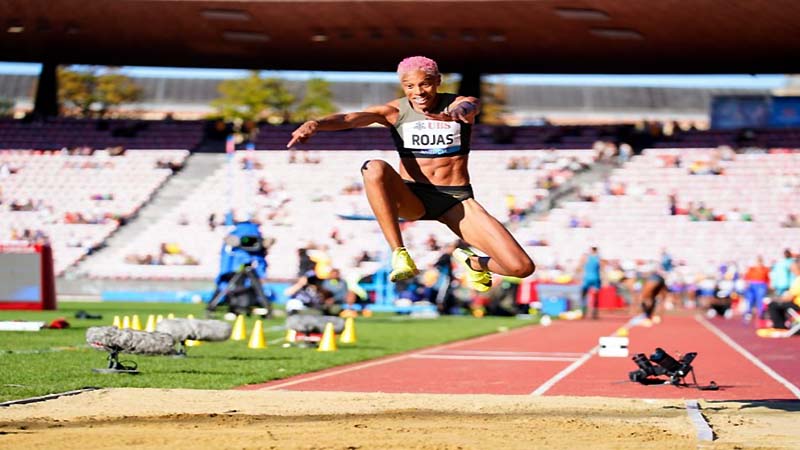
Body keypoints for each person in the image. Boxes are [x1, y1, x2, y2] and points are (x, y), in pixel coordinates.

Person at [287, 56, 535, 291]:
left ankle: (474, 263)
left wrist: (463, 110)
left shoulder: (456, 104)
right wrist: (316, 123)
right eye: (410, 86)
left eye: (425, 84)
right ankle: (399, 253)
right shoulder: (395, 111)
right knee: (373, 167)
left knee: (521, 267)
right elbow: (350, 118)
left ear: (437, 81)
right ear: (402, 86)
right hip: (413, 196)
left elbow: (470, 104)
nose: (418, 92)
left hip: (456, 200)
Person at [578, 247, 602, 318]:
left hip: (587, 279)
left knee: (583, 296)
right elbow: (602, 268)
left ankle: (583, 312)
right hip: (596, 279)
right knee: (595, 296)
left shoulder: (586, 257)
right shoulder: (598, 258)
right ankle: (594, 314)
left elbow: (579, 267)